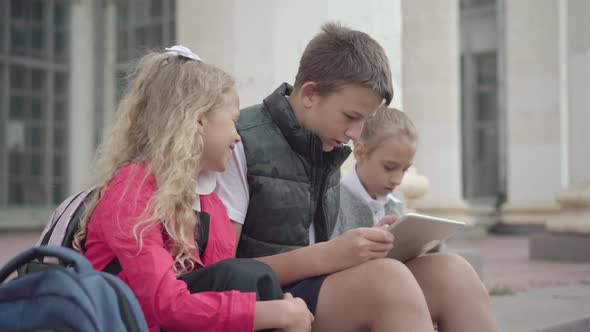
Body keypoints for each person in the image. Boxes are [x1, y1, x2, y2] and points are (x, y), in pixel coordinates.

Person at [217, 23, 499, 331]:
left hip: (316, 288)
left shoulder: (325, 143)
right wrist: (331, 254)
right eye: (351, 117)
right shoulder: (237, 142)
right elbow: (222, 273)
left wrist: (368, 244)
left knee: (452, 273)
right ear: (311, 94)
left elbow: (317, 248)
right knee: (387, 282)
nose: (356, 134)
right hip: (266, 300)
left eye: (365, 120)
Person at [73, 46, 313, 332]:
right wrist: (277, 314)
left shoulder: (210, 202)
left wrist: (277, 311)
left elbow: (218, 292)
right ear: (197, 120)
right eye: (233, 122)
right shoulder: (132, 189)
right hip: (120, 324)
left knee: (249, 280)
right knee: (244, 277)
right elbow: (166, 307)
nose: (238, 136)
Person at [331, 107, 414, 238]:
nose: (397, 180)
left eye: (405, 169)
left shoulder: (396, 200)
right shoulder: (334, 200)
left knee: (449, 259)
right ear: (360, 153)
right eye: (389, 167)